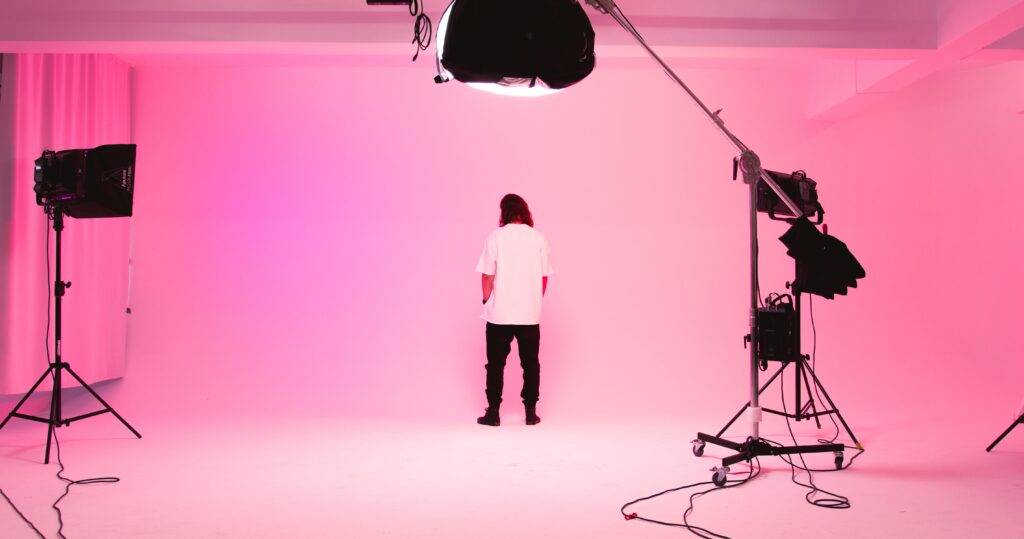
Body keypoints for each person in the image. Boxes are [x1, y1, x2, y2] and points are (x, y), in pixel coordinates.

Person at [475, 194, 552, 427]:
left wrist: (486, 299)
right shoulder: (539, 238)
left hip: (500, 313)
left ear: (504, 211)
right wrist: (534, 301)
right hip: (529, 313)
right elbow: (544, 278)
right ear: (524, 211)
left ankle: (493, 413)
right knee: (530, 364)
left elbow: (487, 275)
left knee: (495, 365)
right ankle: (530, 413)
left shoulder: (495, 237)